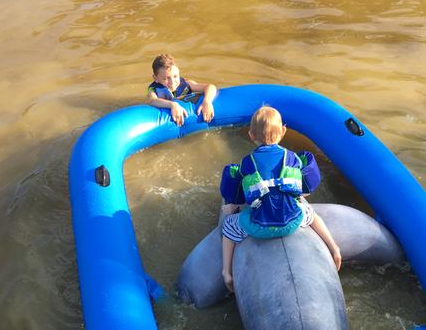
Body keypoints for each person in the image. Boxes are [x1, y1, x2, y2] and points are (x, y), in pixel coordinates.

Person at [219, 105, 342, 292]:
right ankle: (334, 248)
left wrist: (232, 207)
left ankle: (226, 272)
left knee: (229, 227)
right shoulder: (293, 158)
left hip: (259, 226)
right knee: (311, 213)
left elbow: (241, 194)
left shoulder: (247, 163)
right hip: (292, 222)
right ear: (283, 131)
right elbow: (305, 187)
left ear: (251, 135)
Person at [146, 53, 217, 126]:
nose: (172, 82)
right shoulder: (153, 89)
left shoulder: (186, 83)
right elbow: (152, 101)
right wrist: (173, 105)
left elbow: (210, 87)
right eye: (165, 78)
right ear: (155, 78)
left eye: (175, 76)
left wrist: (207, 102)